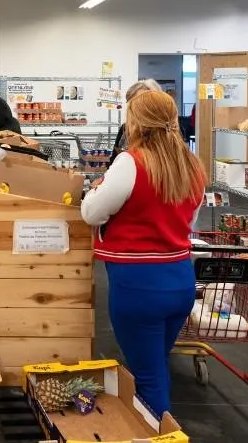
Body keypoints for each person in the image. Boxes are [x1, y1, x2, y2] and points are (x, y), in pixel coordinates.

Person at [81, 90, 206, 418]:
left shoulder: (131, 162)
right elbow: (188, 222)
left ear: (135, 121)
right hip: (180, 280)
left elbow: (92, 213)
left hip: (138, 285)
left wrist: (95, 190)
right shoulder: (192, 166)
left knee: (149, 379)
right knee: (155, 366)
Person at [110, 79, 162, 164]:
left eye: (140, 102)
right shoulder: (125, 129)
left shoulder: (165, 131)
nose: (134, 108)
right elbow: (113, 162)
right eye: (131, 103)